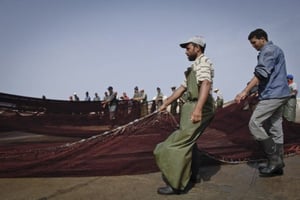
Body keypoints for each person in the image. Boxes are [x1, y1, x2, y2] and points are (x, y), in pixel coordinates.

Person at [153, 35, 215, 195]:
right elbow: (181, 88)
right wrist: (166, 104)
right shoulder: (193, 67)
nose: (185, 52)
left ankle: (176, 184)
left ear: (197, 48)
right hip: (191, 105)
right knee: (190, 142)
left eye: (188, 48)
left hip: (198, 106)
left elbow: (206, 84)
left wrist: (198, 109)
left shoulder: (203, 63)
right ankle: (192, 175)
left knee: (176, 145)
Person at [235, 28, 290, 177]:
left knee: (254, 123)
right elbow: (267, 76)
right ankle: (278, 163)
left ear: (262, 38)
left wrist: (244, 91)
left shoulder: (268, 51)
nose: (253, 46)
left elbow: (261, 73)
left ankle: (274, 160)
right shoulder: (275, 50)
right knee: (275, 127)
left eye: (254, 42)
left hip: (273, 95)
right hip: (279, 93)